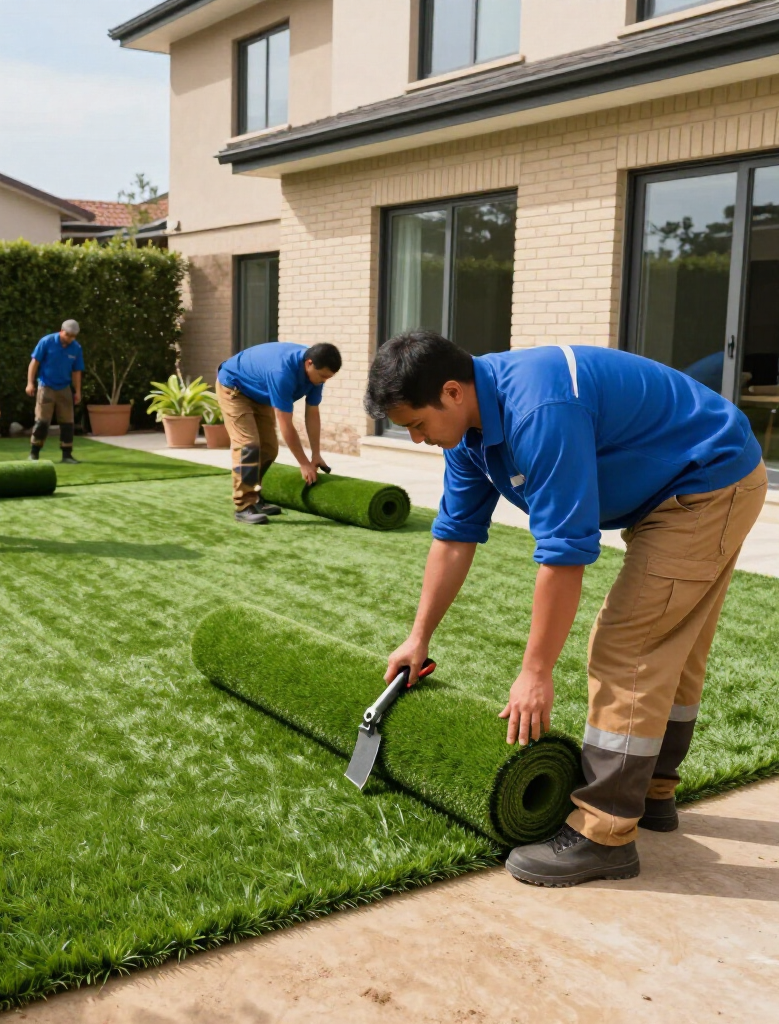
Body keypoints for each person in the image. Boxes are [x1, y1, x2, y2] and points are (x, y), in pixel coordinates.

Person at [364, 330, 766, 887]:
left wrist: (535, 673)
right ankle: (651, 793)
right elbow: (455, 536)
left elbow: (564, 553)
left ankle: (606, 833)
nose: (414, 439)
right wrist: (419, 636)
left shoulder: (539, 411)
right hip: (676, 483)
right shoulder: (469, 433)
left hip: (707, 480)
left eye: (416, 424)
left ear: (452, 393)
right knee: (673, 642)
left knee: (630, 645)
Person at [216, 342, 342, 524]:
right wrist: (304, 463)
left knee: (269, 449)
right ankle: (244, 505)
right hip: (235, 388)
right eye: (322, 376)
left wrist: (315, 454)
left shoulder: (317, 375)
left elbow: (312, 414)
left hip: (260, 392)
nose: (324, 381)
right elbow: (286, 425)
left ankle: (255, 496)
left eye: (328, 378)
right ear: (309, 364)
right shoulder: (282, 373)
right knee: (249, 445)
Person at [26, 320, 84, 464]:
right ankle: (34, 453)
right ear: (61, 331)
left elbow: (77, 371)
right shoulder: (47, 342)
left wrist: (77, 391)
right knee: (42, 421)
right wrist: (30, 383)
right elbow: (34, 363)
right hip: (46, 387)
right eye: (68, 335)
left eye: (73, 336)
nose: (70, 338)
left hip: (64, 388)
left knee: (67, 422)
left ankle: (67, 455)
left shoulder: (76, 348)